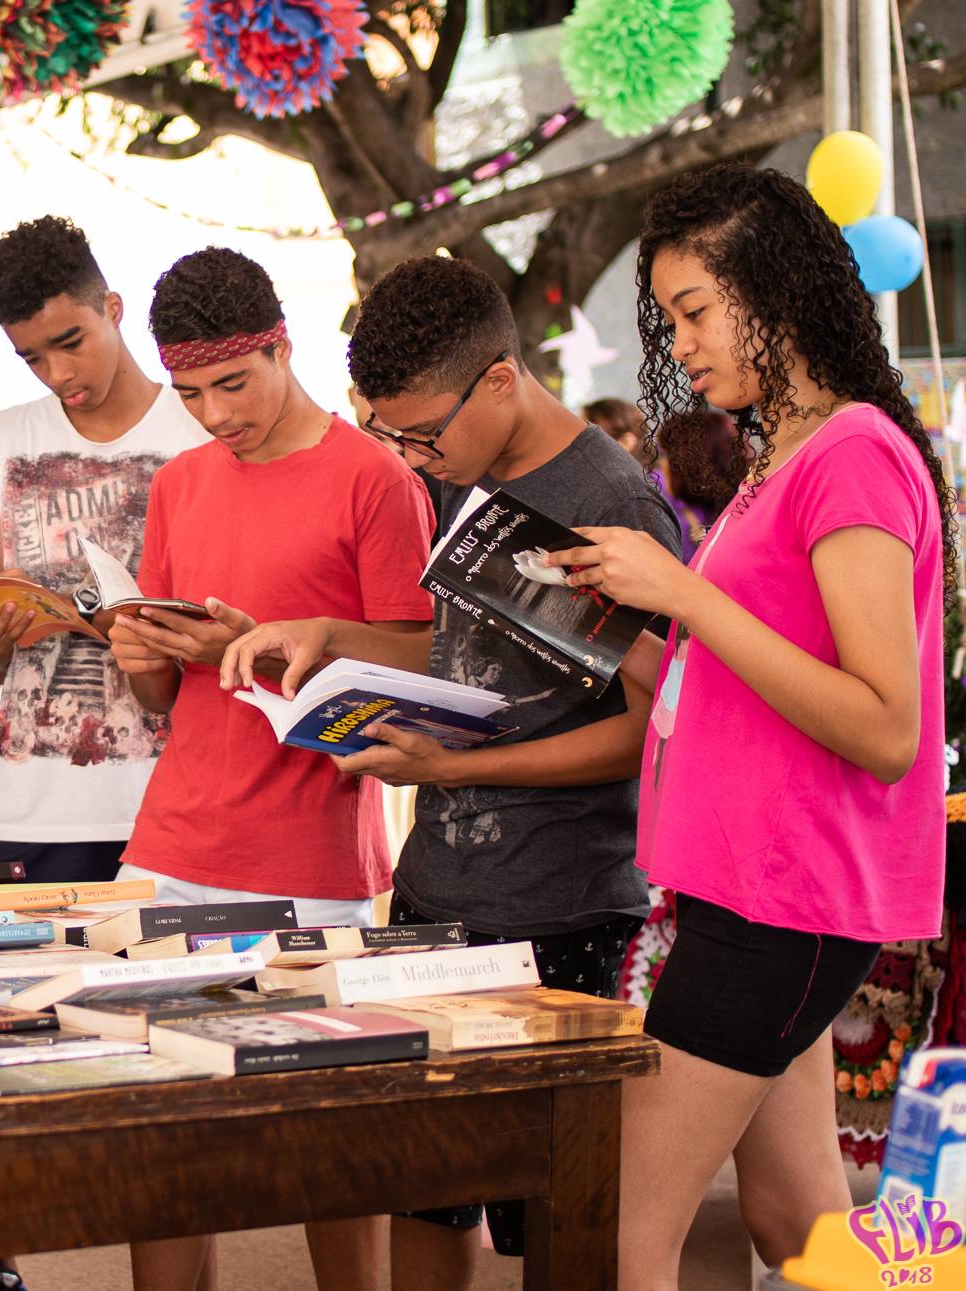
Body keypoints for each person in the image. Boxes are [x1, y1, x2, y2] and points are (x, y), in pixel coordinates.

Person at [225, 255, 679, 1289]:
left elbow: (654, 732)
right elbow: (463, 644)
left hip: (558, 906)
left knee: (555, 1217)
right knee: (420, 1179)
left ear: (502, 380)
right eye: (391, 434)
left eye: (423, 432)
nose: (413, 455)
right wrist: (331, 634)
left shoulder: (607, 503)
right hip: (435, 890)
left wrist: (460, 762)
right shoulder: (472, 481)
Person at [543, 163, 949, 1287]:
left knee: (613, 1228)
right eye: (670, 316)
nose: (680, 342)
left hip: (786, 897)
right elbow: (733, 672)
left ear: (776, 292)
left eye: (695, 312)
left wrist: (683, 597)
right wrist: (605, 625)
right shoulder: (784, 452)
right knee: (803, 1225)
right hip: (758, 887)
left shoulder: (850, 453)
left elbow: (882, 725)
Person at [107, 247, 436, 1291]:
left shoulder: (373, 477)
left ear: (282, 346)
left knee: (330, 1150)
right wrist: (144, 658)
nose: (211, 415)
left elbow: (424, 658)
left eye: (231, 384)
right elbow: (165, 704)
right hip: (171, 844)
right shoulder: (176, 484)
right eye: (189, 392)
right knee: (163, 1139)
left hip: (310, 855)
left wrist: (290, 644)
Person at [0, 216, 206, 885]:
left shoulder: (200, 432)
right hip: (27, 805)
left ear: (113, 310)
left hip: (173, 799)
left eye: (71, 342)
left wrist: (95, 610)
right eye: (32, 357)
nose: (58, 373)